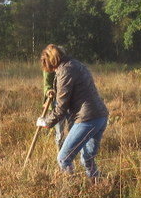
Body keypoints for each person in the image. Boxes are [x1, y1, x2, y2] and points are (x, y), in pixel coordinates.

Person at [35, 44, 109, 178]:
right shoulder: (76, 64)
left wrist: (45, 122)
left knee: (63, 158)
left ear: (52, 61)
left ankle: (71, 187)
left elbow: (61, 108)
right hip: (101, 116)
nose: (51, 70)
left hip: (87, 119)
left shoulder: (65, 72)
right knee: (87, 159)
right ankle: (98, 186)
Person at [42, 58, 71, 148]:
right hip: (57, 102)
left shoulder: (68, 65)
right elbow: (47, 85)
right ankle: (60, 151)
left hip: (71, 102)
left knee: (73, 130)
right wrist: (49, 91)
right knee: (60, 132)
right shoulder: (48, 67)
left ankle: (71, 151)